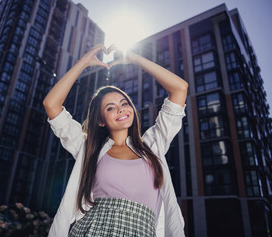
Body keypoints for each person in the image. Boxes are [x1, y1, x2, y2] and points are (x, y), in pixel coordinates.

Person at [43, 44, 188, 237]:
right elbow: (51, 105)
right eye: (110, 108)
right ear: (101, 120)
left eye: (124, 103)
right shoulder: (89, 148)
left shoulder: (153, 144)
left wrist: (134, 58)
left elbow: (180, 89)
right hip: (92, 230)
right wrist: (83, 63)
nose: (120, 109)